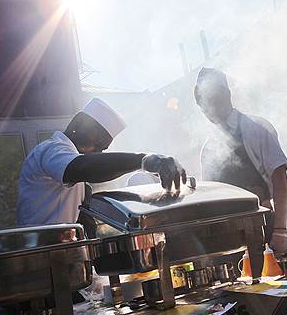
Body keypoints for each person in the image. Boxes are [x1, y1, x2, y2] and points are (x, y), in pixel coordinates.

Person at [17, 97, 186, 226]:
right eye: (97, 144)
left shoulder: (72, 165)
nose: (97, 152)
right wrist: (142, 160)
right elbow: (81, 167)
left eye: (102, 149)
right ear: (78, 122)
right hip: (41, 255)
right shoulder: (51, 149)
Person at [193, 68, 287, 251]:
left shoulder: (256, 128)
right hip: (230, 238)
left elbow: (280, 178)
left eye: (214, 99)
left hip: (264, 228)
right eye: (203, 103)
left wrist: (280, 230)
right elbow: (211, 196)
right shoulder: (208, 148)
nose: (209, 108)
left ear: (227, 94)